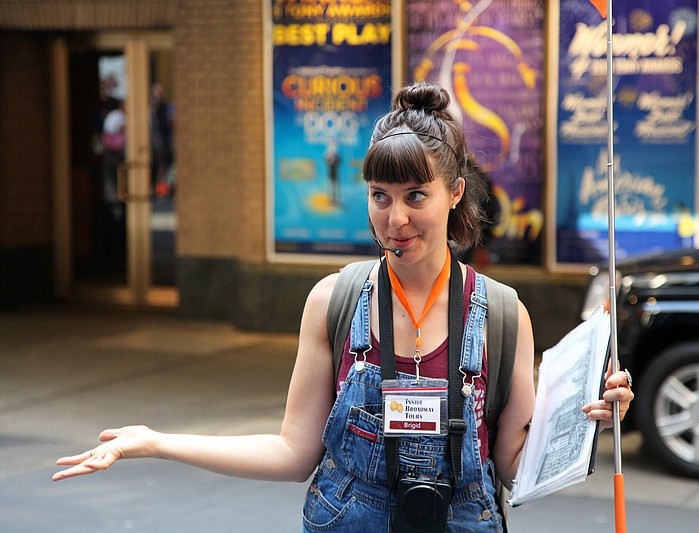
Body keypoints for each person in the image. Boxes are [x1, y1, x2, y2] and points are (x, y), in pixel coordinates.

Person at [53, 82, 634, 532]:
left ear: (455, 191)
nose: (395, 219)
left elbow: (509, 464)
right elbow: (292, 451)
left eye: (415, 197)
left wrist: (586, 418)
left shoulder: (503, 314)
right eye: (380, 197)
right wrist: (155, 441)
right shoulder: (335, 300)